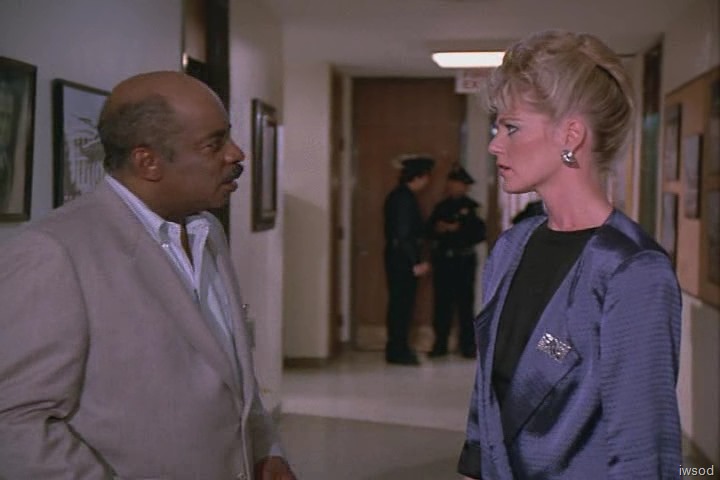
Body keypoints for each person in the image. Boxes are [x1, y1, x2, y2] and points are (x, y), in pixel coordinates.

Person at [0, 71, 296, 480]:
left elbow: (228, 373)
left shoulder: (208, 232)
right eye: (214, 144)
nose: (237, 154)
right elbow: (15, 421)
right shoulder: (54, 253)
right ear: (148, 161)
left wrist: (264, 449)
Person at [458, 30, 682, 479]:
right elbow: (489, 400)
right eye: (497, 128)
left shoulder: (632, 270)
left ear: (571, 135)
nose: (495, 144)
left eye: (511, 127)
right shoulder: (510, 248)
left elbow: (644, 452)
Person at [427, 164, 486, 358]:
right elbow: (429, 231)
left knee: (465, 304)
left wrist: (459, 230)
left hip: (463, 260)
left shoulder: (473, 208)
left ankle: (467, 345)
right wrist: (439, 229)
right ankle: (440, 344)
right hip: (444, 260)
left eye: (459, 184)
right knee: (442, 303)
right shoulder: (440, 207)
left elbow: (480, 234)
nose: (455, 187)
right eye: (452, 183)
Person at [383, 154, 434, 365]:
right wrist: (415, 262)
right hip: (403, 259)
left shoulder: (400, 196)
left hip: (398, 257)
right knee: (401, 305)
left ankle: (398, 346)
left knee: (401, 304)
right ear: (418, 177)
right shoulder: (403, 199)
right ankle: (398, 349)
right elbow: (403, 235)